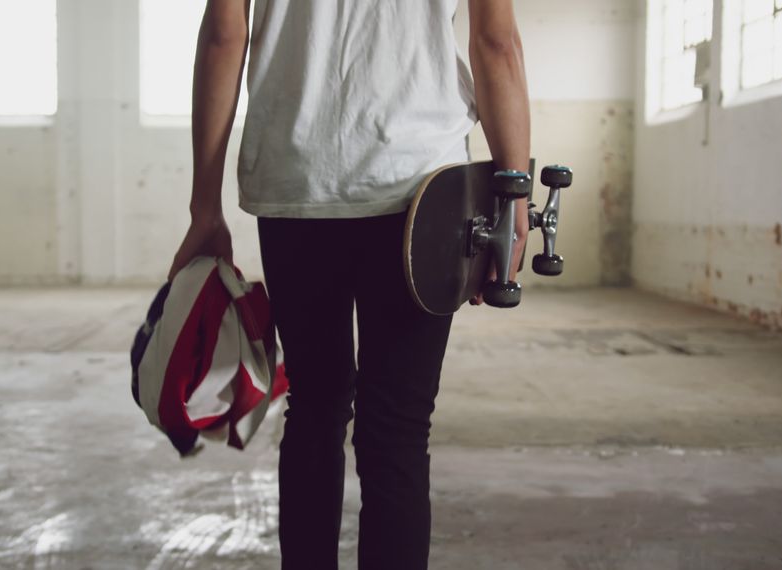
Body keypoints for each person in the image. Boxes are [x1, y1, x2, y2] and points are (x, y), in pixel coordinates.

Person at [167, 1, 530, 568]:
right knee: (399, 430)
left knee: (315, 405)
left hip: (298, 174)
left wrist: (204, 207)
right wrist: (515, 197)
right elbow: (496, 42)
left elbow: (222, 34)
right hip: (420, 186)